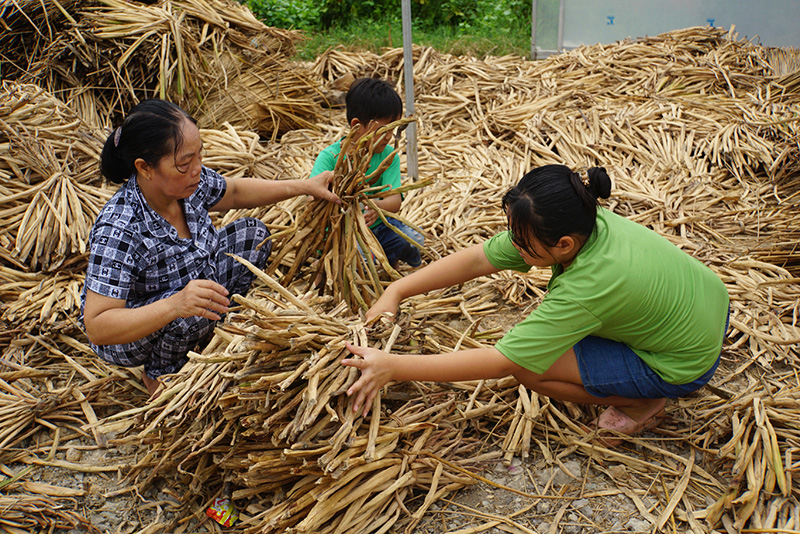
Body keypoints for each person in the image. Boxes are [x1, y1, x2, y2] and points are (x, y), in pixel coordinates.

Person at [342, 165, 729, 445]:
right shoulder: (584, 220)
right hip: (705, 309)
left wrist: (393, 367)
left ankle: (642, 401)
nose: (515, 247)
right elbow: (479, 259)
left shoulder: (589, 285)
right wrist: (397, 291)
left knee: (530, 369)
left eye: (523, 243)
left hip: (684, 362)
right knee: (543, 344)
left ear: (563, 245)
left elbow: (504, 362)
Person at [81, 99, 340, 396]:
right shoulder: (120, 226)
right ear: (145, 168)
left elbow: (235, 192)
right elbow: (98, 326)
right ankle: (159, 372)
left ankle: (202, 330)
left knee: (253, 236)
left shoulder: (189, 183)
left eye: (199, 155)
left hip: (192, 289)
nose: (197, 169)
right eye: (184, 163)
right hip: (133, 332)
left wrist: (305, 186)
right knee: (193, 307)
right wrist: (175, 305)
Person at [310, 77, 424, 269]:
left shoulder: (388, 157)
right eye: (383, 130)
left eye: (393, 129)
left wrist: (377, 208)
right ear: (356, 125)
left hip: (378, 228)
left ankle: (387, 255)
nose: (389, 136)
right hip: (342, 234)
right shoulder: (329, 158)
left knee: (414, 240)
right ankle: (371, 258)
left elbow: (395, 201)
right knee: (359, 261)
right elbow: (312, 198)